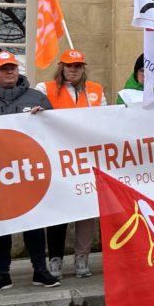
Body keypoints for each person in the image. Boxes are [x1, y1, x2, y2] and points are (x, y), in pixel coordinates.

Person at [0, 52, 60, 292]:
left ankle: (40, 270)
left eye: (12, 67)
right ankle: (2, 274)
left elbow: (54, 130)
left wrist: (45, 118)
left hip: (29, 171)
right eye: (3, 68)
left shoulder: (37, 97)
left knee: (35, 221)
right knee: (0, 225)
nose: (9, 71)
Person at [34, 49, 105, 280]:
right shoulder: (44, 88)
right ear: (61, 67)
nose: (73, 70)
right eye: (69, 66)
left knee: (87, 210)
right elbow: (34, 118)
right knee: (60, 211)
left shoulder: (96, 91)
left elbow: (107, 120)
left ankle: (82, 257)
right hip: (57, 160)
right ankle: (55, 259)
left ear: (83, 68)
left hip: (86, 159)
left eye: (78, 66)